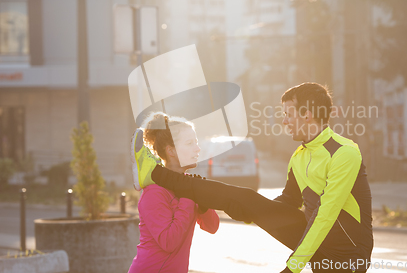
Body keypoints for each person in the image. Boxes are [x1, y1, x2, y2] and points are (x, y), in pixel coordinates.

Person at [132, 82, 373, 273]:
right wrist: (247, 211)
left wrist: (294, 266)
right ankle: (154, 174)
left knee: (248, 199)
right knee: (246, 198)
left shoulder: (345, 153)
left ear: (308, 115)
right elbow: (286, 204)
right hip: (319, 245)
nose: (284, 121)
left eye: (288, 114)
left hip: (348, 252)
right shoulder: (300, 156)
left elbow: (326, 216)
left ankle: (155, 174)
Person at [128, 113, 219, 273]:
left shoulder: (189, 185)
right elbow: (169, 242)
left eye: (196, 142)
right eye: (190, 143)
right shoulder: (154, 193)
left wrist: (203, 205)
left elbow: (212, 226)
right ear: (171, 151)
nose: (197, 148)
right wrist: (188, 195)